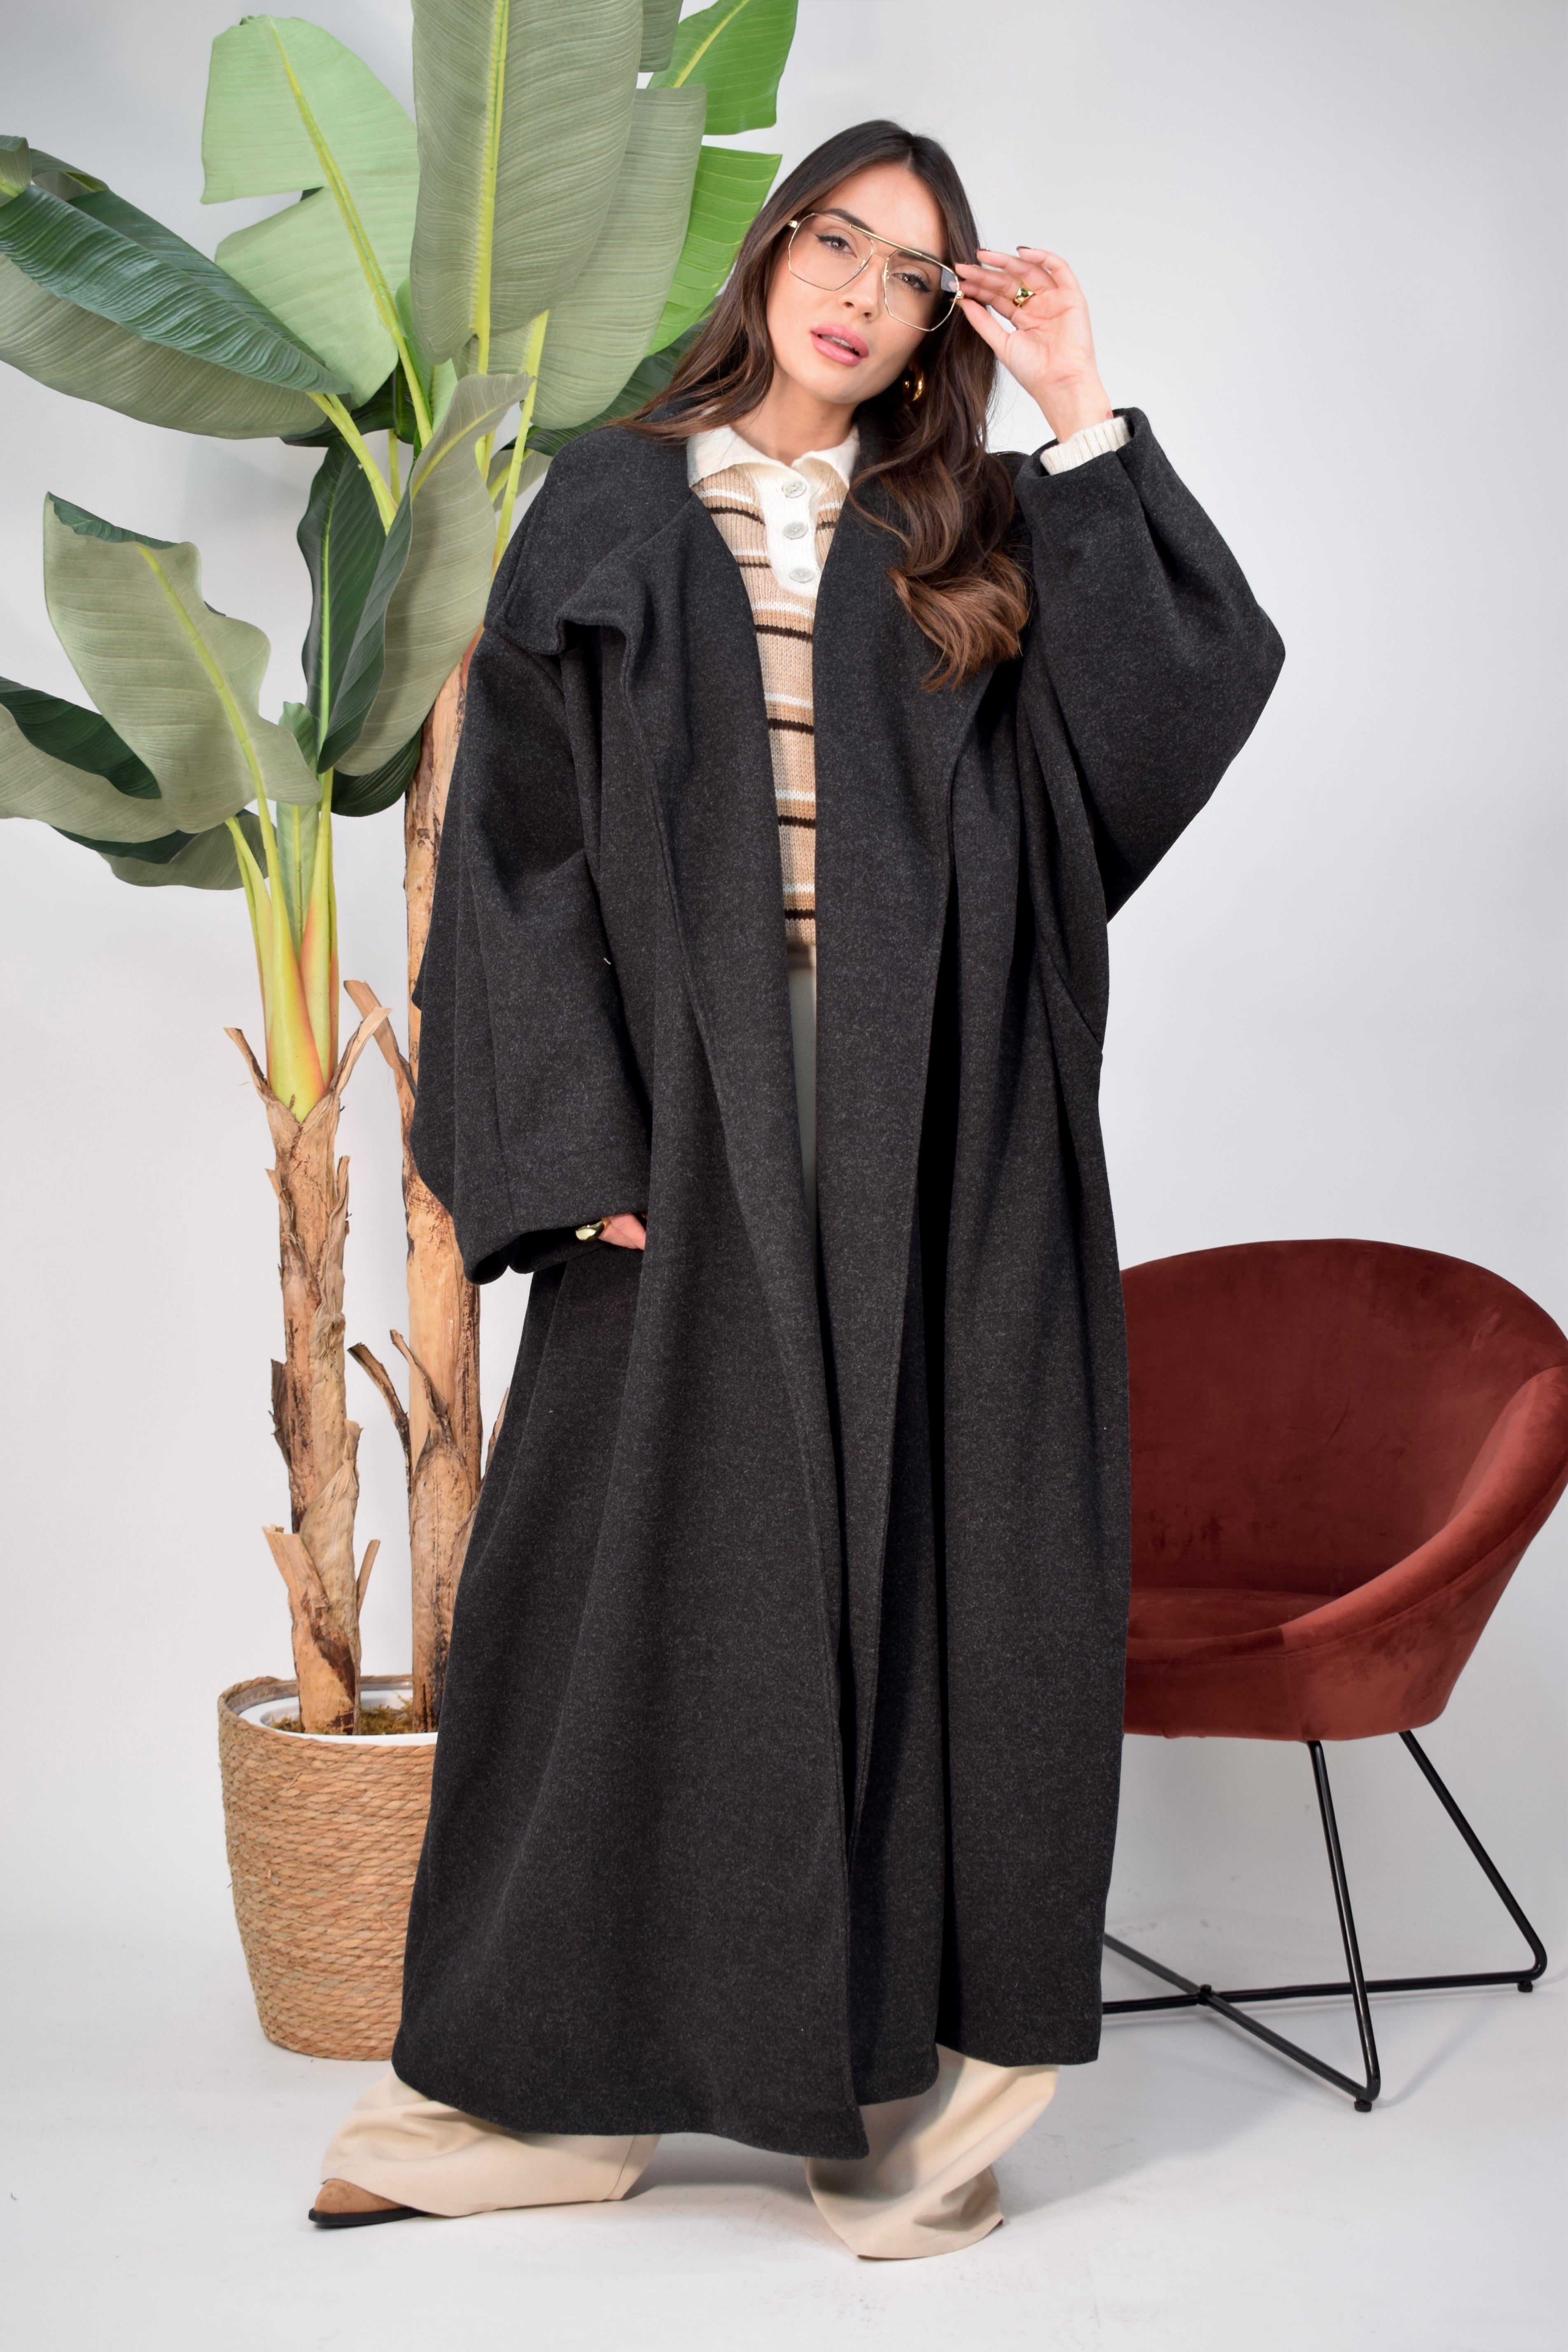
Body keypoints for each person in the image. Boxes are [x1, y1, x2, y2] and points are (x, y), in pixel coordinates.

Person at [311, 119, 1283, 2258]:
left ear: (940, 323)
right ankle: (556, 2091)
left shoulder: (964, 524)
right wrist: (576, 1145)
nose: (861, 292)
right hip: (692, 1121)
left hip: (943, 1117)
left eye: (914, 273)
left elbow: (1166, 718)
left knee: (949, 1572)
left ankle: (901, 2112)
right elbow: (516, 846)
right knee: (629, 1588)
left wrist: (1078, 405)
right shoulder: (613, 505)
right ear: (770, 255)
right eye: (838, 241)